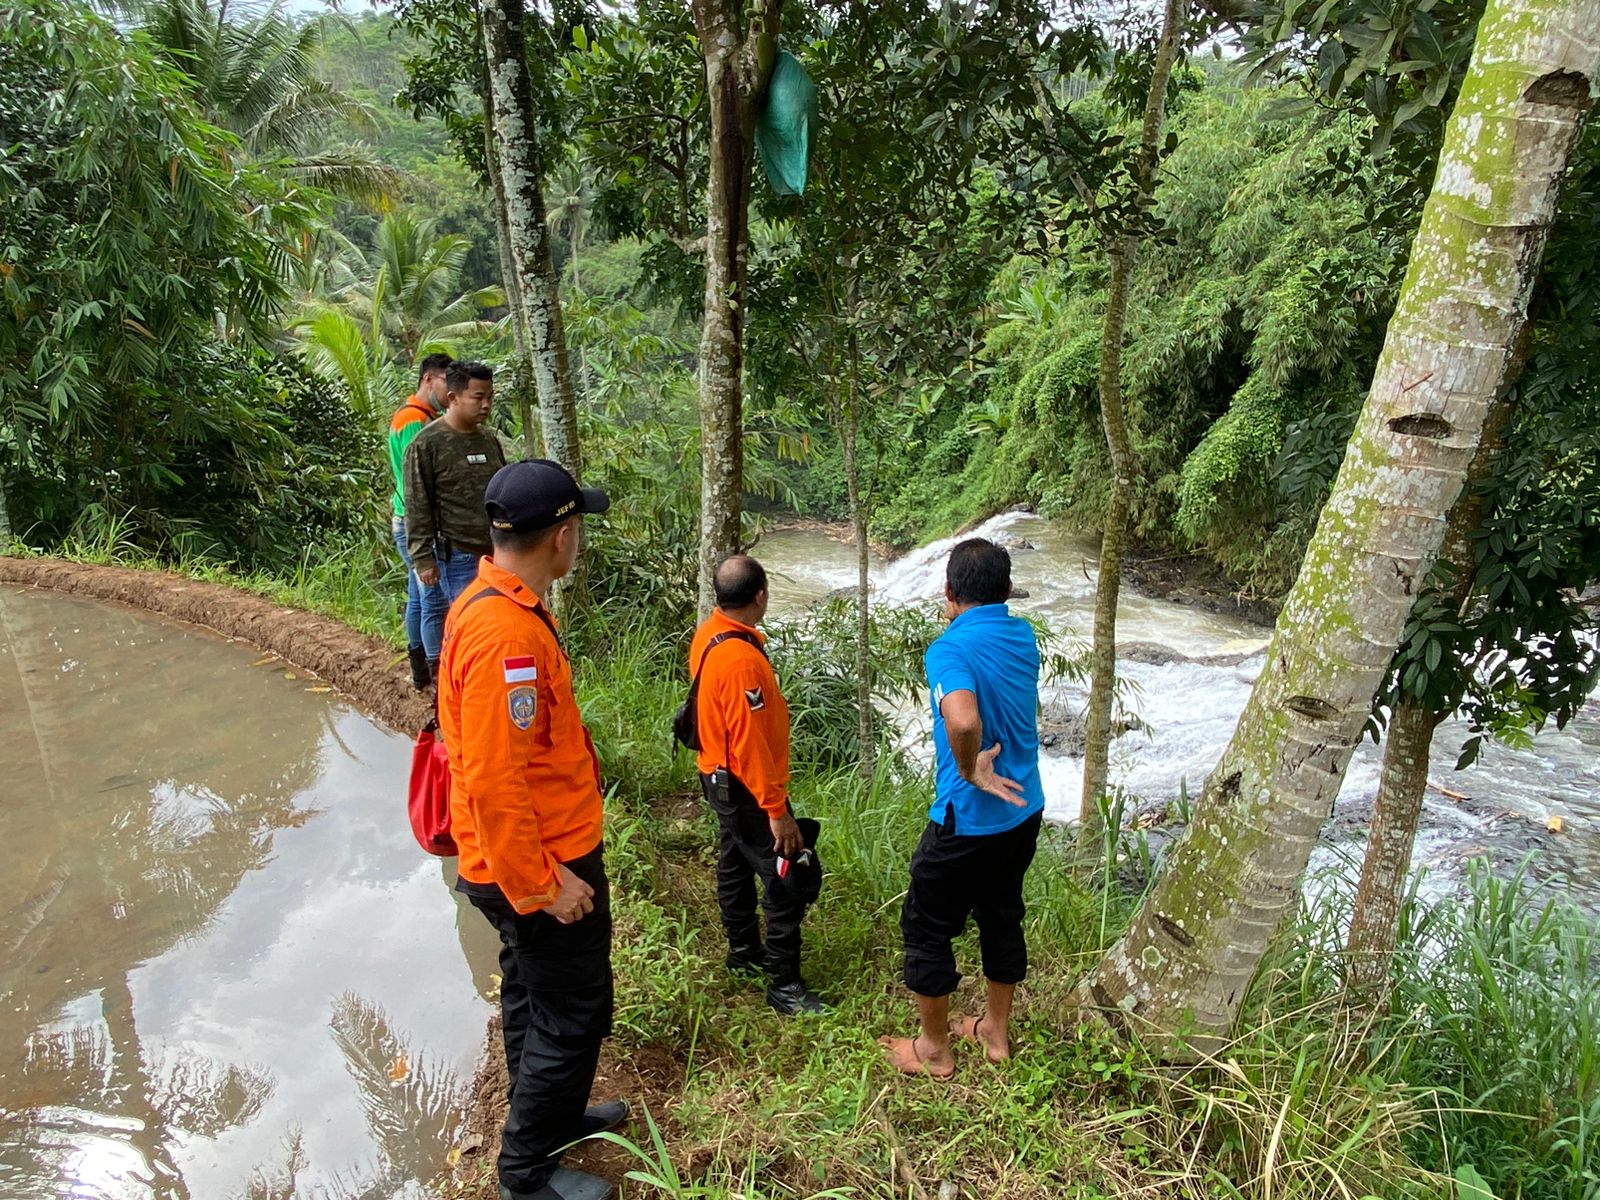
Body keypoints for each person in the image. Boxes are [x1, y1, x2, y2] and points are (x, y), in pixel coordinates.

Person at [436, 459, 622, 1200]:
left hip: (523, 855)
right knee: (574, 1010)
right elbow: (492, 778)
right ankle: (526, 1172)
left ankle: (552, 1116)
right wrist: (542, 884)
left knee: (530, 996)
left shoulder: (494, 602)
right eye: (581, 527)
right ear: (563, 534)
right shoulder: (505, 637)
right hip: (536, 863)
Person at [880, 538, 1045, 1078]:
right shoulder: (1023, 637)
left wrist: (973, 767)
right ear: (1005, 592)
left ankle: (933, 1050)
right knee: (1002, 913)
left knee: (926, 925)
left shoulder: (948, 648)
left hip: (968, 817)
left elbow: (965, 720)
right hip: (1023, 811)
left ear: (949, 593)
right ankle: (995, 1032)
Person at [689, 554, 824, 1016]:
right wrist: (776, 809)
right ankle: (784, 987)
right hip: (745, 784)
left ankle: (744, 951)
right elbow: (748, 742)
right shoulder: (742, 660)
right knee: (784, 874)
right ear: (761, 596)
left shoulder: (710, 635)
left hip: (716, 774)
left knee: (733, 858)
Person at [404, 360, 506, 682]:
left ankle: (483, 681)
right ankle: (444, 682)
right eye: (478, 397)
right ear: (453, 397)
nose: (486, 405)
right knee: (459, 623)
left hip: (495, 552)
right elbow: (417, 504)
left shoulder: (489, 441)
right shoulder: (426, 444)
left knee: (493, 621)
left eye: (490, 396)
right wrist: (422, 558)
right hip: (457, 554)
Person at [388, 352, 452, 689]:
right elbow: (418, 478)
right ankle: (434, 674)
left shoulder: (412, 415)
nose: (450, 391)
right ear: (429, 379)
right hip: (416, 522)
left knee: (418, 594)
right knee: (433, 599)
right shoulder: (414, 420)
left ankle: (419, 672)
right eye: (446, 381)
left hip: (408, 519)